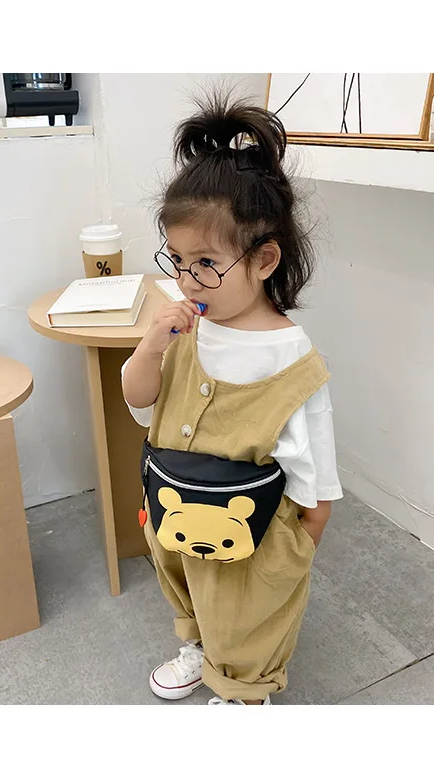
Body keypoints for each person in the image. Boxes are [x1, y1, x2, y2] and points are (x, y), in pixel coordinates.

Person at [121, 89, 343, 705]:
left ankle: (245, 689)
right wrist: (150, 346)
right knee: (190, 589)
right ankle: (200, 648)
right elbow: (138, 402)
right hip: (177, 512)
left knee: (248, 619)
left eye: (206, 263)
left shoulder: (293, 359)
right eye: (178, 259)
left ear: (265, 259)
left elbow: (318, 482)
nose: (187, 280)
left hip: (254, 538)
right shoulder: (183, 333)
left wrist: (293, 554)